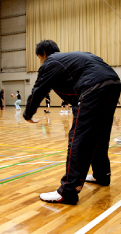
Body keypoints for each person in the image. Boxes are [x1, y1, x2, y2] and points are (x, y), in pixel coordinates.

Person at [23, 39, 121, 205]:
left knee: (78, 139)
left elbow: (39, 89)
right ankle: (102, 175)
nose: (40, 62)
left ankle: (68, 191)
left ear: (44, 55)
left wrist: (28, 113)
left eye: (39, 58)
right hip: (114, 83)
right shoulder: (73, 60)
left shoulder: (50, 62)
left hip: (93, 87)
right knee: (100, 134)